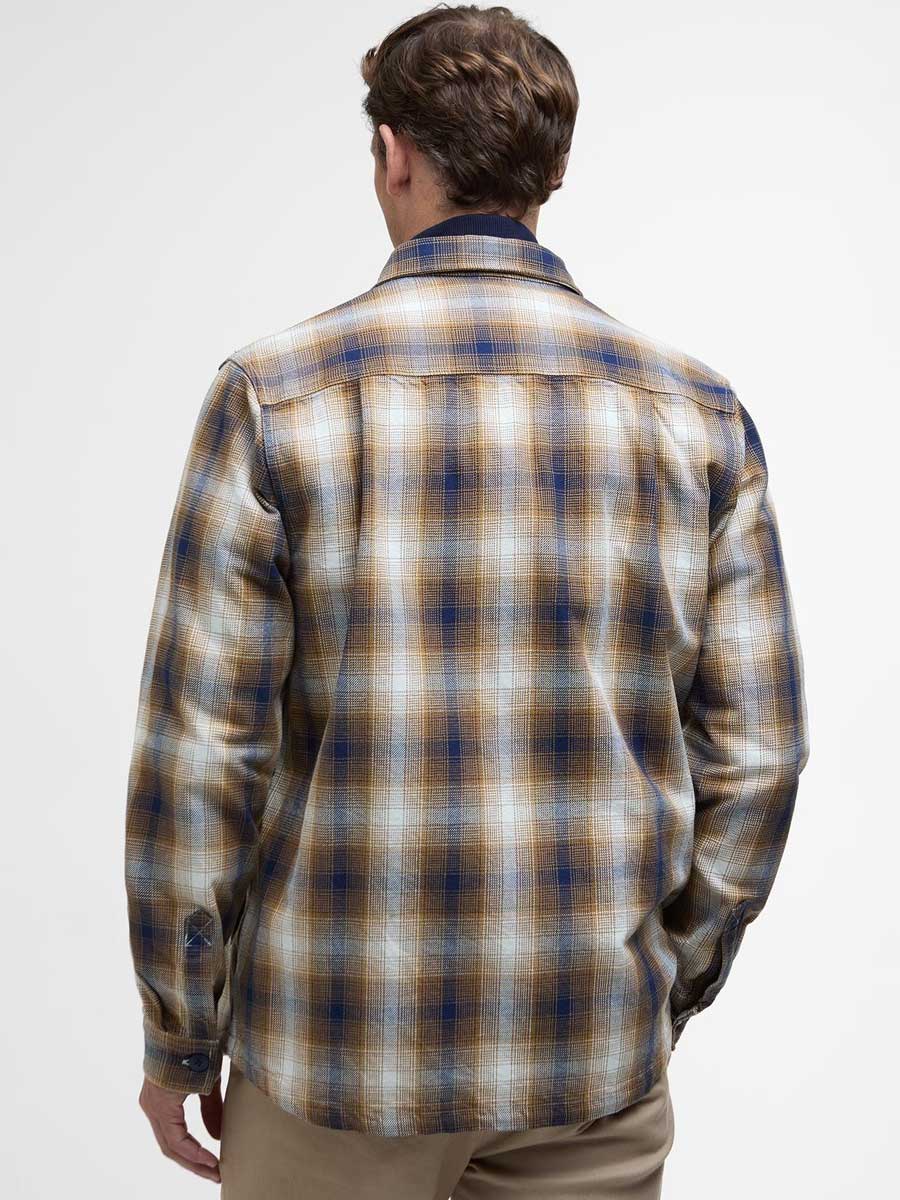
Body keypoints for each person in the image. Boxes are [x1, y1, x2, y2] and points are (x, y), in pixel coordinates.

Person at [123, 5, 811, 1197]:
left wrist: (181, 1030)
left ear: (393, 154)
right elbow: (758, 756)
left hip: (333, 1058)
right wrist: (658, 983)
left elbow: (201, 755)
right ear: (555, 170)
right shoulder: (697, 414)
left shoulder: (275, 396)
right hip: (588, 1059)